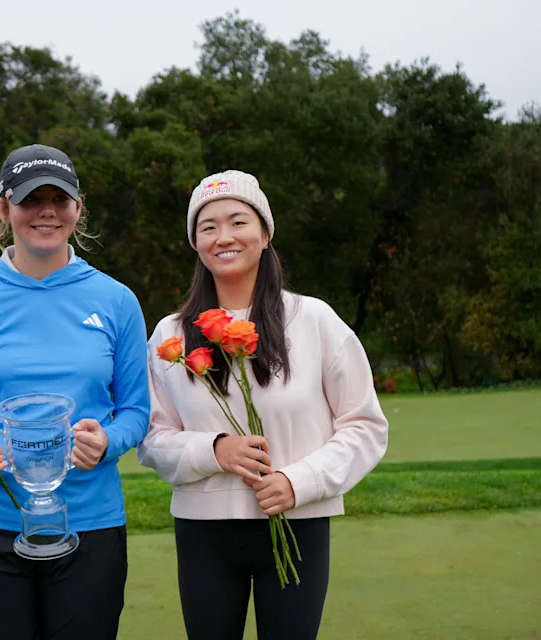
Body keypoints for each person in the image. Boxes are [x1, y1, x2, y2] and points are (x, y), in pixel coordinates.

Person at [138, 170, 389, 640]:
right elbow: (151, 438)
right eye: (207, 227)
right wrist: (215, 450)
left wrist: (299, 481)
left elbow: (364, 425)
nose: (224, 237)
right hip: (202, 532)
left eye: (238, 221)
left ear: (266, 233)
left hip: (296, 526)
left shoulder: (314, 319)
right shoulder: (169, 334)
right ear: (194, 242)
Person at [0, 144, 150, 640]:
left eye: (59, 198)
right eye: (30, 199)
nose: (46, 210)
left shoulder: (116, 300)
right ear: (3, 209)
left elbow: (135, 410)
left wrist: (108, 441)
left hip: (90, 524)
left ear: (78, 208)